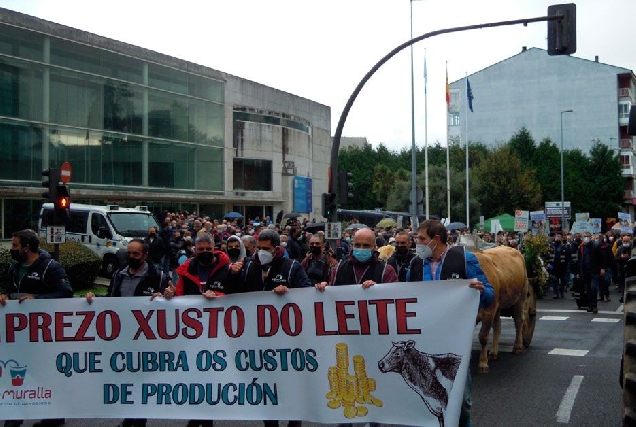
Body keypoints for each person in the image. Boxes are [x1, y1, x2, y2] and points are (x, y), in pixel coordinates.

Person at [406, 220, 494, 427]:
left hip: (456, 342)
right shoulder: (415, 264)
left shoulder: (464, 260)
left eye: (421, 239)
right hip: (424, 341)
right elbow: (404, 296)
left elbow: (490, 296)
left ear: (436, 240)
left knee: (461, 402)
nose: (417, 243)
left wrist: (481, 291)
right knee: (425, 401)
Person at [86, 239, 170, 427]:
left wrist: (165, 297)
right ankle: (128, 415)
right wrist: (94, 298)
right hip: (122, 335)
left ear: (145, 255)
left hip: (146, 338)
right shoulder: (119, 275)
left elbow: (171, 302)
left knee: (142, 378)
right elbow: (111, 299)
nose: (131, 257)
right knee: (126, 377)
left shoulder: (159, 276)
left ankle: (139, 419)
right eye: (129, 253)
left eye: (136, 254)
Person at [231, 229, 310, 427]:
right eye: (258, 248)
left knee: (291, 385)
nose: (261, 252)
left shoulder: (292, 267)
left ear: (276, 249)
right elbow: (234, 294)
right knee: (264, 385)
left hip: (288, 340)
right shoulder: (249, 267)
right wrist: (231, 275)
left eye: (266, 249)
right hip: (258, 340)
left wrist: (290, 292)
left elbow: (308, 293)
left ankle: (294, 421)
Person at [1, 229, 73, 427]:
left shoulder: (50, 267)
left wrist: (38, 300)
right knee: (16, 374)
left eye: (15, 245)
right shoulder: (14, 268)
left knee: (45, 375)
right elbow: (11, 291)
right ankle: (14, 416)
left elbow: (66, 292)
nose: (11, 249)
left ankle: (53, 417)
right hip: (19, 334)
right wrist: (5, 297)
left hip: (45, 335)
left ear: (26, 248)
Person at [317, 227, 398, 288]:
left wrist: (378, 289)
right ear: (352, 245)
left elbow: (394, 296)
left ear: (374, 247)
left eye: (366, 245)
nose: (361, 248)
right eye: (357, 245)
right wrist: (325, 289)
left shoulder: (386, 271)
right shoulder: (338, 268)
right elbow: (332, 295)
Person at [576, 232, 607, 314]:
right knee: (588, 289)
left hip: (594, 270)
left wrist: (602, 268)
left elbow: (602, 257)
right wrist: (578, 272)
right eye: (584, 236)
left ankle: (594, 306)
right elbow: (579, 260)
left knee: (593, 288)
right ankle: (590, 305)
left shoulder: (596, 246)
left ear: (591, 237)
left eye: (587, 236)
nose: (586, 238)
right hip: (585, 271)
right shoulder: (581, 247)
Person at [615, 234, 632, 303]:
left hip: (631, 268)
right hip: (621, 268)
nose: (625, 242)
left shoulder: (632, 248)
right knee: (623, 282)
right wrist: (620, 257)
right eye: (624, 241)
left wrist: (629, 257)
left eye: (627, 241)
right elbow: (615, 258)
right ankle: (623, 295)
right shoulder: (619, 248)